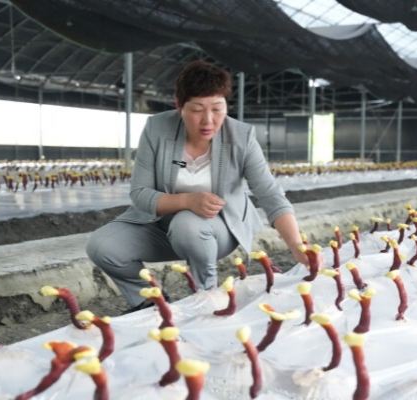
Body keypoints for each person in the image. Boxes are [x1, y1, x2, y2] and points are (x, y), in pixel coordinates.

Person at [86, 60, 320, 313]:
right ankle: (151, 302)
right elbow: (140, 193)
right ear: (179, 106)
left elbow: (269, 193)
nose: (208, 120)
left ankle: (206, 298)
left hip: (217, 228)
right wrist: (187, 200)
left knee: (188, 224)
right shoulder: (157, 129)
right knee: (102, 246)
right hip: (161, 225)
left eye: (217, 109)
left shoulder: (241, 137)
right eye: (197, 109)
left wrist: (296, 245)